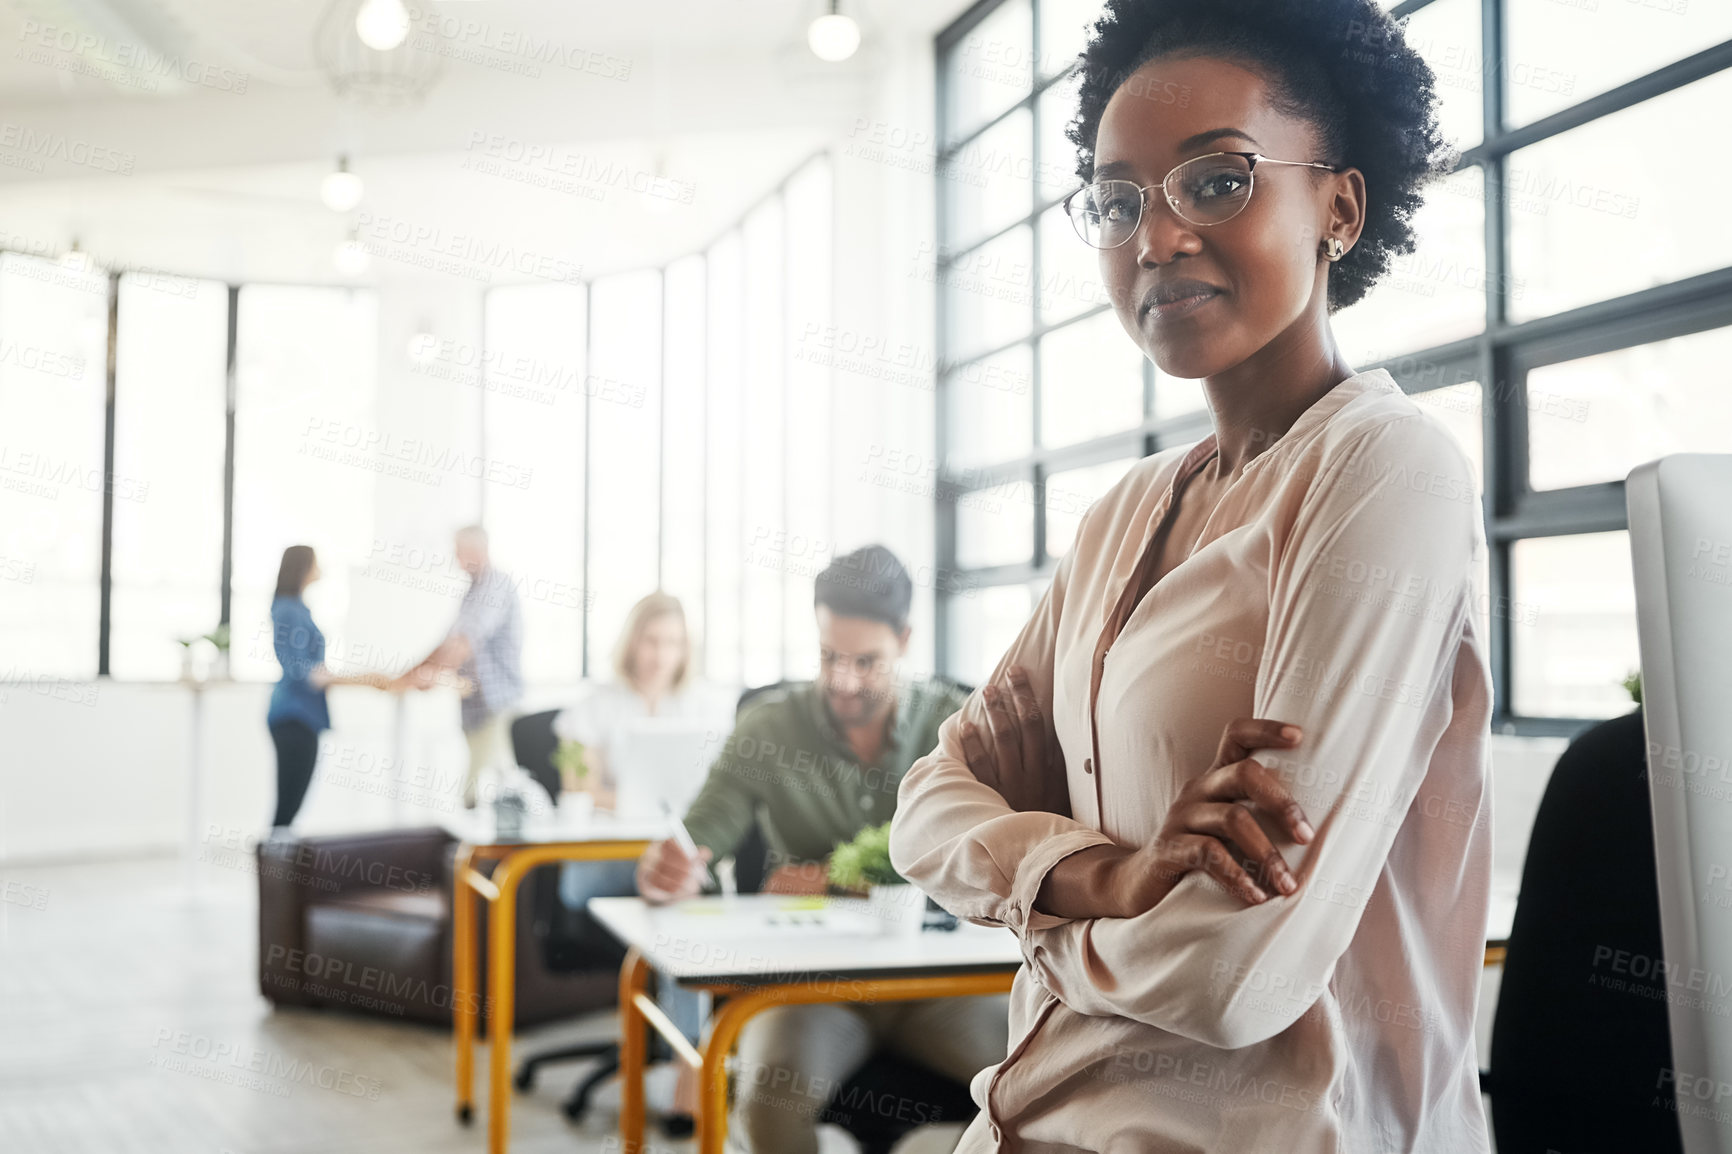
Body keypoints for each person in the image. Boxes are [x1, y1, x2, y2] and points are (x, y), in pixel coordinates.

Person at [888, 2, 1494, 1151]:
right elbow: (928, 802)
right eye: (1118, 202)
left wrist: (1038, 917)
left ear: (1339, 206)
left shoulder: (1382, 469)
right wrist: (1105, 878)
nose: (1153, 238)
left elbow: (1235, 970)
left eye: (1216, 180)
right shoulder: (1125, 512)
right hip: (1025, 1119)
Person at [636, 545, 1009, 1154]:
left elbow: (999, 862)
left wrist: (834, 883)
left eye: (867, 661)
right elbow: (702, 836)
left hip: (942, 986)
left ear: (905, 639)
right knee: (763, 1105)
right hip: (812, 989)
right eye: (829, 656)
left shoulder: (959, 724)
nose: (843, 679)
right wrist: (670, 871)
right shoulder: (768, 727)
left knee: (1052, 1077)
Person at [551, 591, 735, 937]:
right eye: (652, 641)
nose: (662, 655)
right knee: (662, 883)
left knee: (690, 882)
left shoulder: (707, 707)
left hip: (681, 845)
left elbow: (724, 792)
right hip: (610, 855)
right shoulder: (593, 707)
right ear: (631, 642)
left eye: (673, 642)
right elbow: (581, 791)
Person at [394, 525, 524, 809]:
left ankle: (472, 849)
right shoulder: (472, 590)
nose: (456, 559)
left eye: (459, 552)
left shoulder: (495, 586)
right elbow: (447, 641)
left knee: (475, 787)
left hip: (497, 702)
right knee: (498, 778)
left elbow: (463, 644)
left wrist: (427, 675)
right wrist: (409, 675)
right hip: (475, 706)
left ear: (478, 550)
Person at [266, 545, 389, 829]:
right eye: (316, 563)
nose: (320, 569)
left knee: (291, 804)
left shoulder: (296, 608)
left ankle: (279, 866)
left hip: (299, 717)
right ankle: (275, 869)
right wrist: (364, 678)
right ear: (303, 567)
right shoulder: (289, 610)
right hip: (294, 717)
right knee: (288, 806)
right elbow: (305, 673)